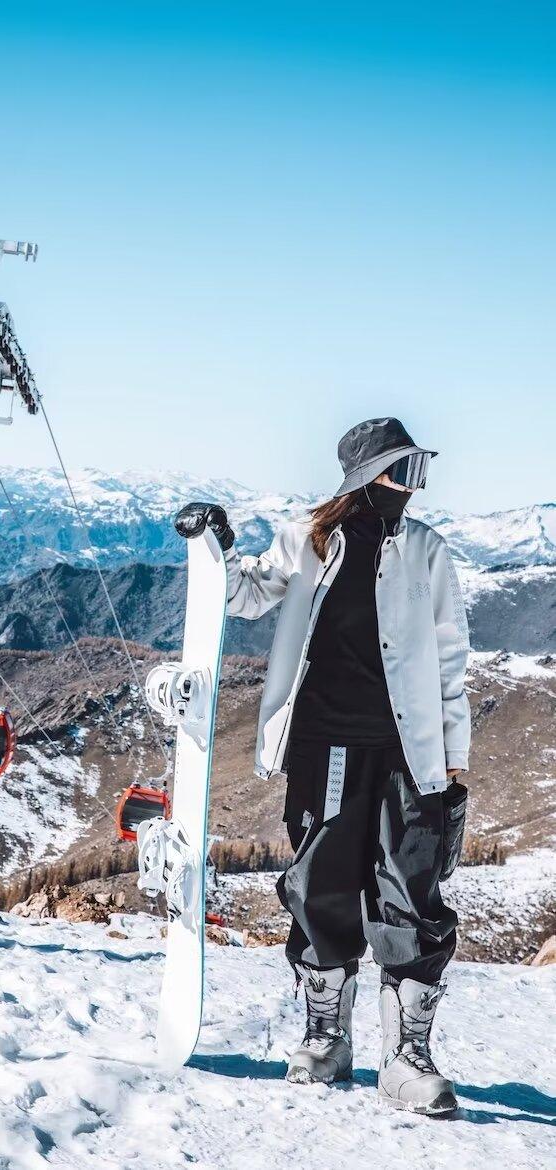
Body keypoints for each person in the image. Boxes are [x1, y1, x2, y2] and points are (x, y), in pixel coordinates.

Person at [174, 417, 470, 1116]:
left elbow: (450, 655)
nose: (413, 486)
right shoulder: (306, 538)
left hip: (408, 753)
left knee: (411, 894)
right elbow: (246, 596)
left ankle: (406, 1060)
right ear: (367, 475)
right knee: (319, 888)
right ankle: (326, 1037)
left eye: (420, 471)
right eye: (404, 470)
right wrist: (214, 544)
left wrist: (455, 756)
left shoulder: (427, 551)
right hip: (324, 744)